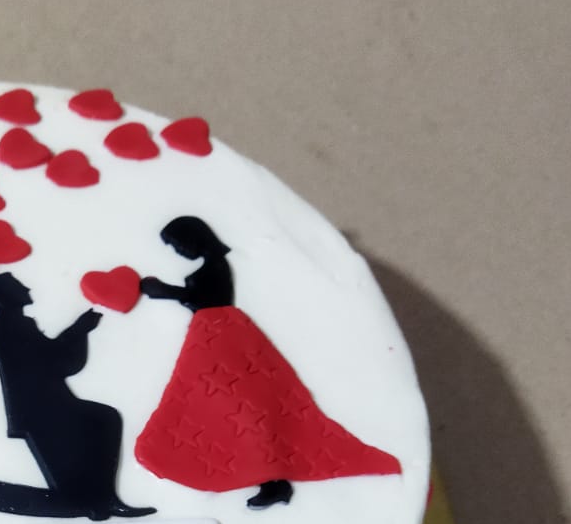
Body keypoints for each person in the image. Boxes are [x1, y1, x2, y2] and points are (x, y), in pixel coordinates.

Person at [135, 217, 401, 507]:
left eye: (177, 245)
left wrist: (166, 291)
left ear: (193, 239)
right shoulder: (211, 266)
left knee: (242, 405)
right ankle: (264, 476)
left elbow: (206, 297)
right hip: (211, 334)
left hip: (223, 338)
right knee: (224, 406)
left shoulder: (215, 266)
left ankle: (272, 478)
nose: (177, 252)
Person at [0, 273, 153, 521]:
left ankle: (102, 501)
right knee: (75, 489)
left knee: (102, 422)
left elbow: (50, 358)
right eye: (18, 285)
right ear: (7, 295)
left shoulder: (13, 322)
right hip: (41, 409)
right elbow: (55, 361)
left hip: (47, 404)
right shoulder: (10, 325)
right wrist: (79, 329)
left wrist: (78, 330)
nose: (27, 286)